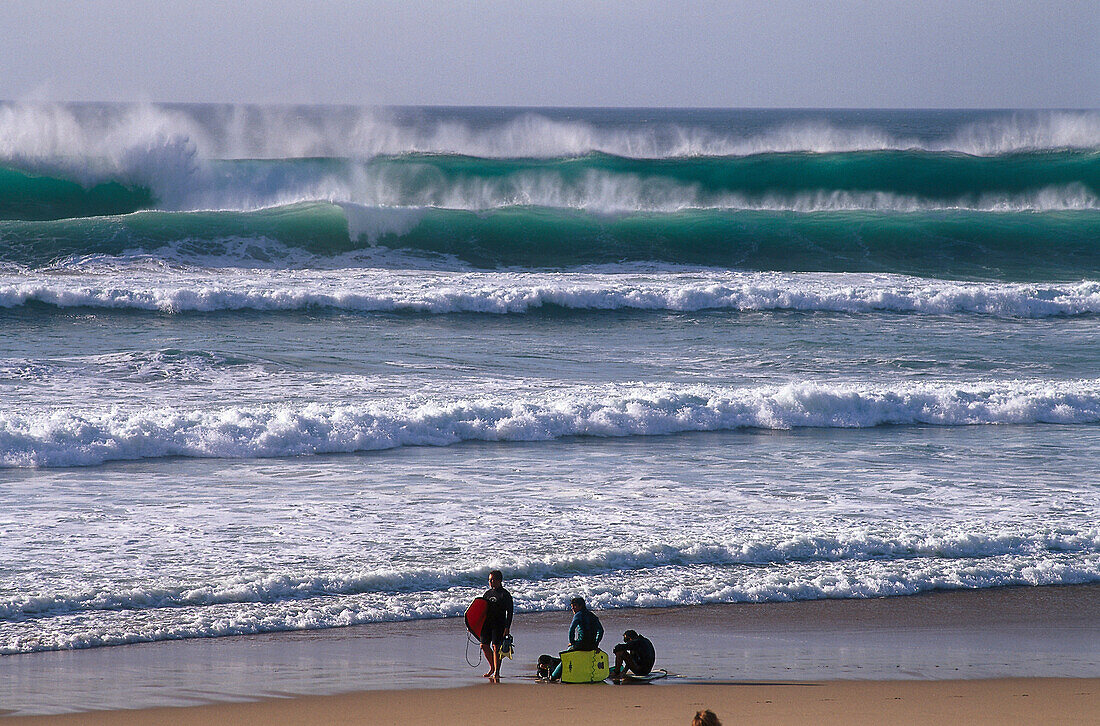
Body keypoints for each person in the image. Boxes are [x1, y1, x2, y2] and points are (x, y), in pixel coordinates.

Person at [549, 596, 604, 681]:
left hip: (580, 645)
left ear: (581, 606)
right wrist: (596, 644)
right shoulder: (592, 615)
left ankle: (553, 676)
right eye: (572, 607)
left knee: (565, 658)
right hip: (591, 646)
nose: (573, 609)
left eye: (574, 606)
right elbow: (601, 631)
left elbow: (571, 630)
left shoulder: (578, 615)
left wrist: (572, 642)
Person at [479, 569, 513, 679]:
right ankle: (492, 667)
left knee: (496, 647)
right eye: (489, 580)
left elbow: (510, 612)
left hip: (499, 624)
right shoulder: (487, 594)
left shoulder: (505, 595)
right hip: (487, 624)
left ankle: (496, 672)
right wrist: (474, 625)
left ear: (499, 580)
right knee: (483, 645)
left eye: (492, 580)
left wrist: (507, 627)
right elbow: (481, 610)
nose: (490, 582)